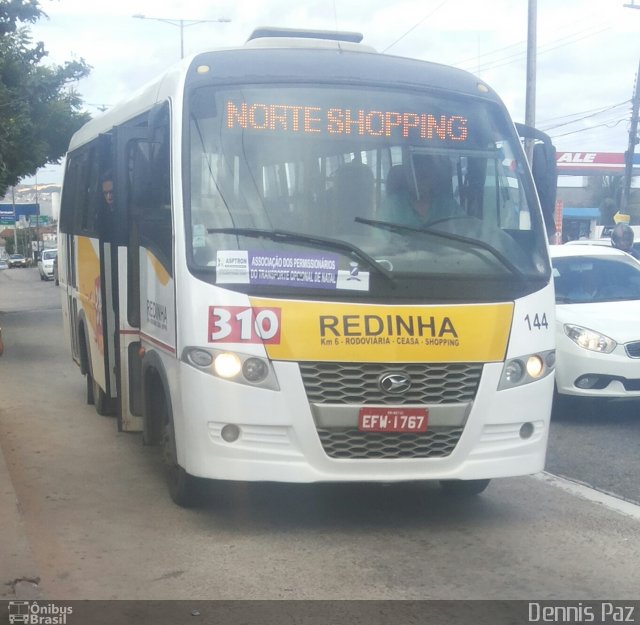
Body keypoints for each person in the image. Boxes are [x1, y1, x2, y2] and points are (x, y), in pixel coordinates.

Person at [380, 155, 461, 227]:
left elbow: (468, 230)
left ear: (434, 178)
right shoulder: (391, 205)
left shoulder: (449, 206)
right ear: (407, 176)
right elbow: (377, 239)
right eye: (416, 176)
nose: (419, 182)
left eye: (424, 176)